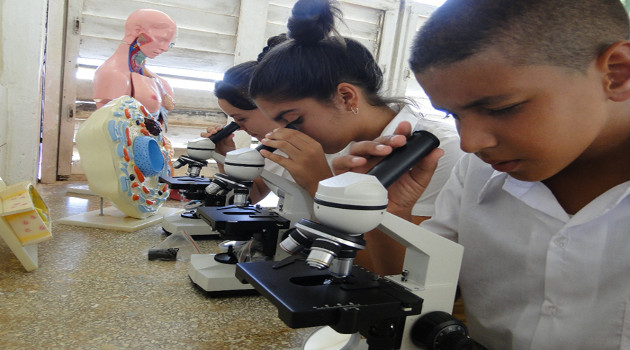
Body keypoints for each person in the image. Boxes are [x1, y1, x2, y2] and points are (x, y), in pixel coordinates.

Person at [333, 0, 630, 349]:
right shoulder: (475, 171)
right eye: (454, 116)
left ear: (616, 73)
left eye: (500, 109)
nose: (471, 143)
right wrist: (388, 213)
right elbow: (420, 296)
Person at [248, 0, 463, 274]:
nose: (285, 133)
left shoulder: (437, 150)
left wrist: (319, 183)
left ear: (346, 97)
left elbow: (400, 275)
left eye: (293, 121)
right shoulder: (336, 144)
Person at [201, 34, 305, 204]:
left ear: (269, 105)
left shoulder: (331, 148)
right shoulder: (269, 149)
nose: (238, 127)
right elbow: (249, 197)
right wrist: (225, 155)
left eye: (240, 118)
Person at [92, 9, 177, 174]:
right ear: (138, 32)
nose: (165, 48)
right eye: (161, 39)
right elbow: (110, 131)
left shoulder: (154, 78)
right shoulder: (113, 74)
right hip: (127, 167)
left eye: (170, 43)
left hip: (153, 163)